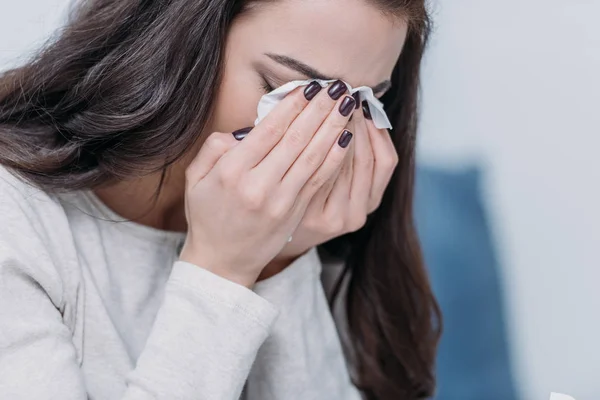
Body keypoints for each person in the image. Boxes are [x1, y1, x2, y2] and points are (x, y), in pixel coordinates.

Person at [0, 0, 441, 398]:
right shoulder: (17, 215)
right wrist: (222, 270)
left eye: (364, 103)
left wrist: (281, 258)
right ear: (173, 38)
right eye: (284, 87)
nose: (328, 140)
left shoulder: (327, 226)